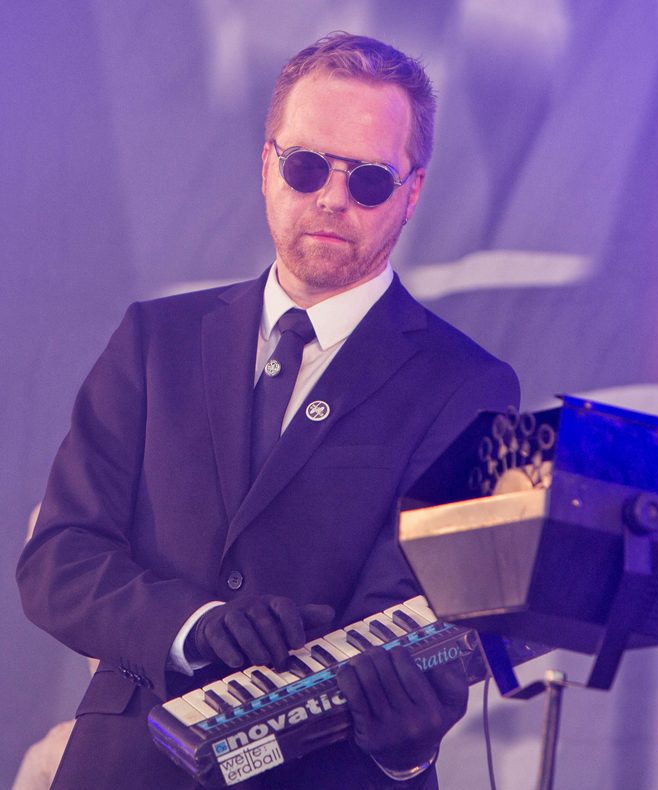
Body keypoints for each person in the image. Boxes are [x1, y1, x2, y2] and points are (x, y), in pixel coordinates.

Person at [17, 32, 519, 789]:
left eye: (370, 181)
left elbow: (414, 618)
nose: (332, 199)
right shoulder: (155, 338)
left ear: (413, 192)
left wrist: (402, 733)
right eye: (307, 166)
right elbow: (60, 558)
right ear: (266, 166)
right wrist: (194, 627)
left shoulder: (468, 385)